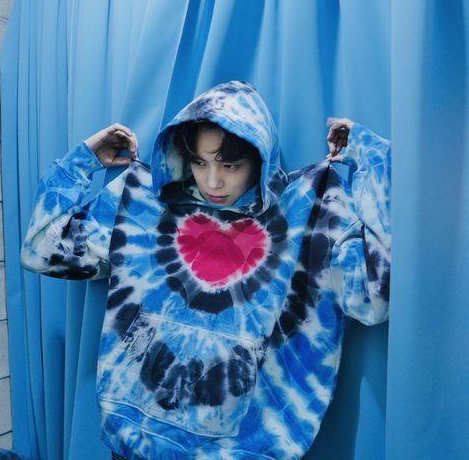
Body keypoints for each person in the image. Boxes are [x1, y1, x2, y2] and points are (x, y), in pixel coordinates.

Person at [21, 80, 391, 459]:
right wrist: (84, 160)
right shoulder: (146, 200)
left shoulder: (306, 213)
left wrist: (374, 162)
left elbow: (373, 300)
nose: (213, 181)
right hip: (135, 440)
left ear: (260, 159)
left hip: (243, 450)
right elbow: (41, 251)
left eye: (230, 165)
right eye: (200, 162)